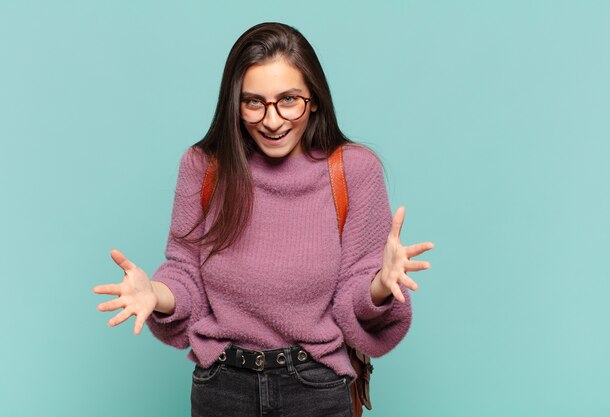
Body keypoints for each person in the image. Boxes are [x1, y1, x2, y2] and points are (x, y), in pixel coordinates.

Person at [93, 22, 434, 417]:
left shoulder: (353, 171)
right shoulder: (204, 167)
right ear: (234, 104)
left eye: (288, 99)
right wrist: (155, 294)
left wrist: (379, 285)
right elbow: (185, 275)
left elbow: (351, 297)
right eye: (253, 102)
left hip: (315, 386)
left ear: (315, 100)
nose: (272, 120)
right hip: (222, 387)